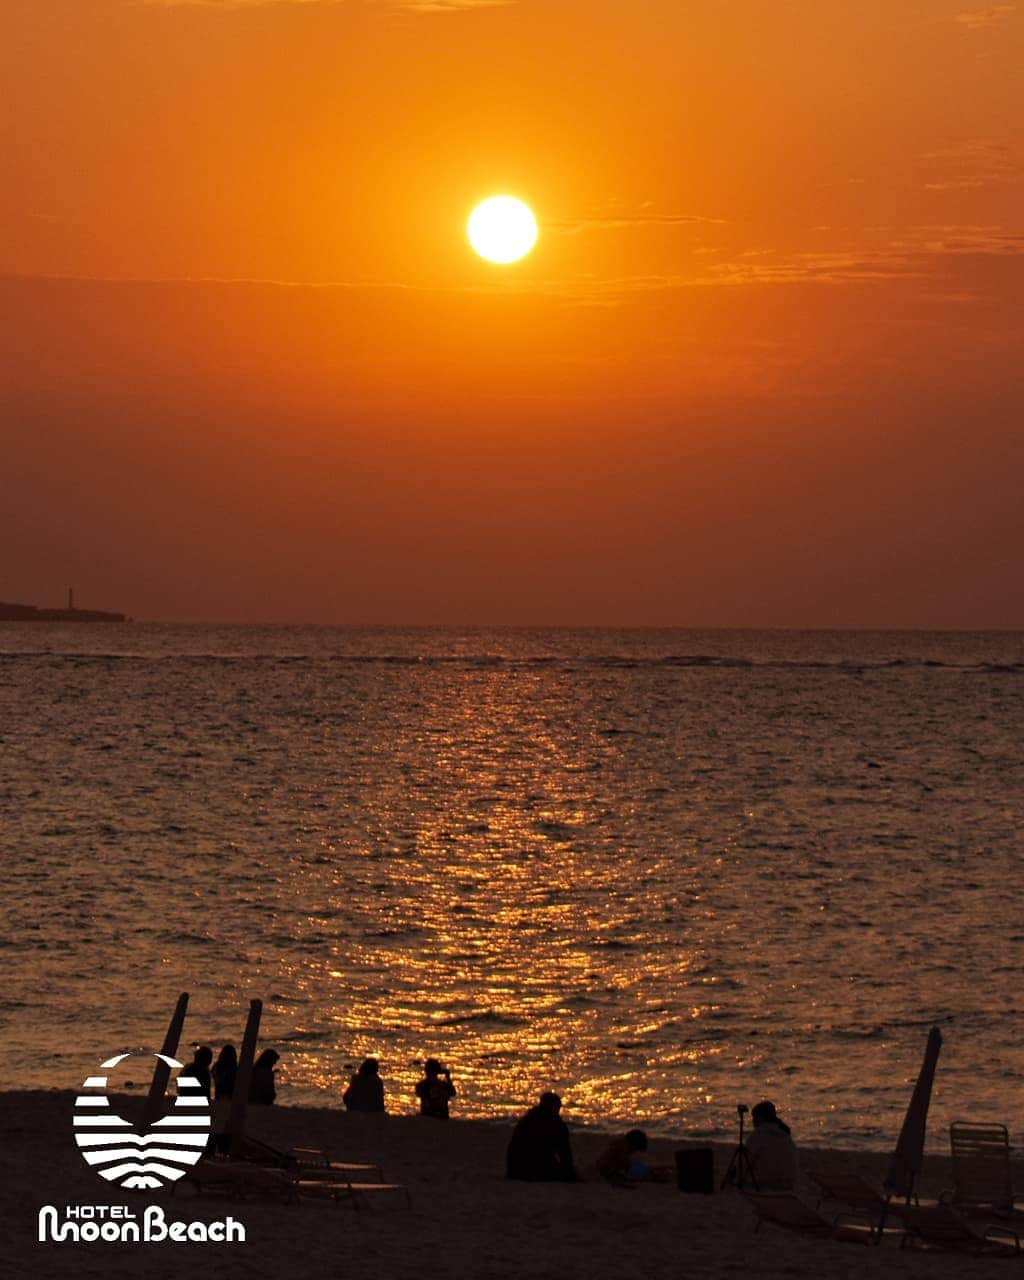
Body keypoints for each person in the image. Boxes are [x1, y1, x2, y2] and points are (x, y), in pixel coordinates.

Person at [506, 1092, 577, 1182]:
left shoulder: (528, 1120)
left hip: (516, 1169)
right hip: (532, 1168)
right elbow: (565, 1153)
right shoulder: (555, 1125)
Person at [745, 1099, 798, 1190]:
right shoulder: (785, 1136)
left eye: (754, 1118)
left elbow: (744, 1164)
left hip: (764, 1187)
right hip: (787, 1187)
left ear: (760, 1118)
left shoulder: (757, 1136)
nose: (753, 1122)